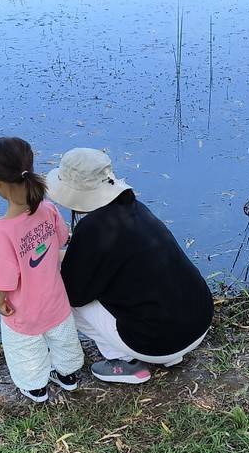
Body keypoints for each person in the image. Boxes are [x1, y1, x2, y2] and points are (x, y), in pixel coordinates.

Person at [45, 147, 213, 384]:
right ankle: (170, 356)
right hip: (199, 321)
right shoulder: (136, 209)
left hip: (157, 342)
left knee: (61, 295)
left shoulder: (93, 229)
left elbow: (74, 294)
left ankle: (126, 362)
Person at [0, 136, 84, 402]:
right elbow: (62, 239)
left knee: (24, 346)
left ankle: (36, 387)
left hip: (24, 308)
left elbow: (2, 281)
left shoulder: (0, 231)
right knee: (63, 338)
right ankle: (68, 375)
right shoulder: (48, 209)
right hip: (55, 300)